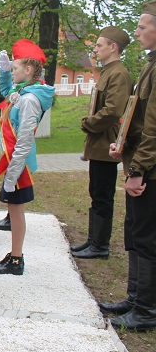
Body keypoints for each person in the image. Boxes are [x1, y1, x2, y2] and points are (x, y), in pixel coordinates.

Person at [104, 1, 156, 332]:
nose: (135, 32)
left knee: (146, 237)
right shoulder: (150, 65)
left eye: (142, 27)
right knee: (135, 233)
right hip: (139, 160)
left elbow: (153, 126)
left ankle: (147, 309)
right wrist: (122, 145)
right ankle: (135, 298)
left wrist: (139, 170)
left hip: (149, 169)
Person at [0, 40, 54, 275]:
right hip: (15, 161)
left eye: (15, 68)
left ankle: (16, 260)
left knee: (16, 210)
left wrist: (13, 174)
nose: (12, 70)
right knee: (14, 209)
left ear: (28, 70)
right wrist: (4, 73)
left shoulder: (29, 99)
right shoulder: (23, 92)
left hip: (19, 164)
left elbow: (24, 139)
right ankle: (15, 256)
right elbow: (7, 94)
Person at [71, 27, 133, 259]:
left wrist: (88, 123)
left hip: (107, 142)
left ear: (113, 47)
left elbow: (113, 110)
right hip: (99, 142)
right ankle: (93, 240)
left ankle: (100, 245)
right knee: (96, 192)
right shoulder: (108, 71)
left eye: (99, 45)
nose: (95, 49)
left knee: (103, 194)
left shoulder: (119, 74)